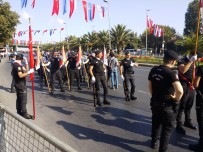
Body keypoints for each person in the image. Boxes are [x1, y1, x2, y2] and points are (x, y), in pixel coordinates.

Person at [148, 50, 183, 152]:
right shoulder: (171, 73)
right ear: (172, 62)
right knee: (166, 130)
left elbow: (150, 86)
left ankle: (153, 142)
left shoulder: (153, 69)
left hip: (155, 103)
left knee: (156, 124)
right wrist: (176, 99)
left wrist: (155, 96)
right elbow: (180, 91)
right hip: (167, 105)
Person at [176, 52, 198, 135]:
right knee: (182, 106)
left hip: (191, 86)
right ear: (191, 55)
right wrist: (190, 62)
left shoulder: (195, 61)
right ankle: (179, 124)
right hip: (184, 85)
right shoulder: (182, 61)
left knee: (189, 105)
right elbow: (182, 71)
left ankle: (187, 121)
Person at [12, 53, 34, 119]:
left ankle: (19, 111)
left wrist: (27, 63)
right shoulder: (16, 65)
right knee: (23, 99)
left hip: (19, 83)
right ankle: (24, 113)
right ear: (21, 59)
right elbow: (21, 75)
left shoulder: (19, 64)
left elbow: (25, 70)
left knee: (19, 98)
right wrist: (29, 73)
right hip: (20, 84)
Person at [189, 54, 203, 152]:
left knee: (201, 120)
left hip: (202, 97)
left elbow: (195, 84)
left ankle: (201, 145)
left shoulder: (201, 68)